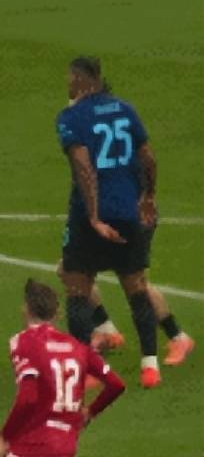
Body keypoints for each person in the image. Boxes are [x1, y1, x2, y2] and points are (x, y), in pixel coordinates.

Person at [54, 56, 189, 388]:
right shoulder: (126, 110)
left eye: (70, 78)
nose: (67, 84)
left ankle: (89, 369)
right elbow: (149, 158)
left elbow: (84, 167)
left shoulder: (71, 117)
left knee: (77, 285)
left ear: (80, 79)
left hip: (94, 215)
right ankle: (149, 365)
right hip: (132, 211)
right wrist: (149, 197)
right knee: (136, 286)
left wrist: (94, 215)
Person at [0, 279, 125, 457]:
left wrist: (3, 438)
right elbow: (116, 384)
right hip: (67, 446)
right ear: (57, 314)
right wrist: (90, 412)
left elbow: (28, 398)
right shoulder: (78, 347)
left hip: (33, 445)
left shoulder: (24, 341)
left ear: (26, 309)